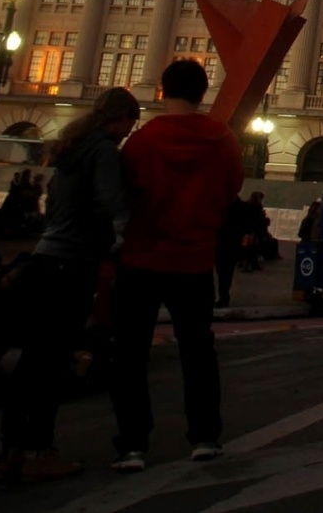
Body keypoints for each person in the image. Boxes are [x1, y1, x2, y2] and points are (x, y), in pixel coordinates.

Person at [0, 87, 140, 483]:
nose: (130, 132)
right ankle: (41, 450)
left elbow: (55, 208)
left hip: (45, 257)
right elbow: (113, 203)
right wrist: (124, 238)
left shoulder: (69, 152)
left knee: (31, 359)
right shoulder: (104, 150)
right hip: (73, 263)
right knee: (54, 359)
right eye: (131, 123)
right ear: (122, 118)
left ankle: (12, 449)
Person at [109, 60, 244, 472]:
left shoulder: (141, 142)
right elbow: (231, 189)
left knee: (130, 354)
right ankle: (204, 436)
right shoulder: (223, 140)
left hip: (142, 257)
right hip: (194, 259)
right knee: (198, 351)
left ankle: (132, 444)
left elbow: (125, 195)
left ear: (163, 92)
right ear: (203, 94)